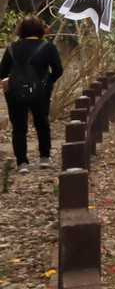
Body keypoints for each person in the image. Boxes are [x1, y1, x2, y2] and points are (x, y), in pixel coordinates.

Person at [1, 15, 64, 174]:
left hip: (15, 93)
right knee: (42, 122)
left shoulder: (11, 49)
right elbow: (58, 70)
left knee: (19, 127)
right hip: (40, 92)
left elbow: (2, 73)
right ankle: (44, 157)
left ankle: (22, 162)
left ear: (21, 30)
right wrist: (47, 81)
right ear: (41, 30)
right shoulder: (47, 47)